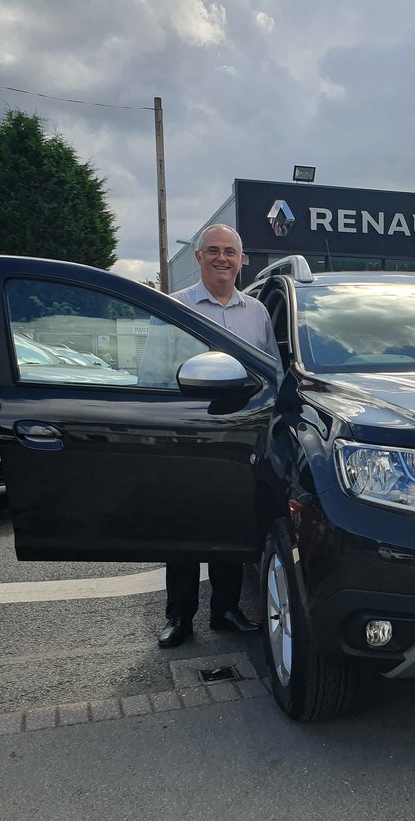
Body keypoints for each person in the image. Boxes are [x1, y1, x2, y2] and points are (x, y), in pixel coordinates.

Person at [145, 223, 277, 649]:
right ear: (198, 257)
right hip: (187, 438)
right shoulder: (174, 309)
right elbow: (153, 377)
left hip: (238, 439)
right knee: (183, 531)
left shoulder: (256, 312)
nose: (223, 258)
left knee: (229, 528)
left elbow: (271, 375)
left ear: (242, 261)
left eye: (231, 252)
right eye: (214, 250)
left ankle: (225, 610)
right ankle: (179, 617)